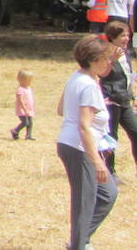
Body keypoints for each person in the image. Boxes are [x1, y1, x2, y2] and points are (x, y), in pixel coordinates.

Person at [56, 35, 119, 250]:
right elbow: (84, 126)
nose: (108, 62)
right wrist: (98, 162)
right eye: (105, 58)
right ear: (92, 60)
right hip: (79, 147)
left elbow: (61, 109)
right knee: (84, 203)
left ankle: (79, 240)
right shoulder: (88, 85)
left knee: (108, 193)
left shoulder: (78, 77)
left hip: (72, 144)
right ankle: (78, 245)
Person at [98, 22, 137, 173]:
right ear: (112, 37)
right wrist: (112, 59)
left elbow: (127, 76)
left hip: (124, 100)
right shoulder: (105, 53)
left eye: (128, 35)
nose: (127, 38)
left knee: (136, 132)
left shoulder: (125, 53)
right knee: (111, 137)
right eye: (123, 35)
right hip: (111, 100)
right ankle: (109, 171)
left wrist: (133, 95)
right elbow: (101, 73)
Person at [11, 69, 36, 142]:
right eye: (28, 80)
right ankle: (15, 131)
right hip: (22, 110)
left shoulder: (29, 88)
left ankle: (28, 136)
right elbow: (20, 100)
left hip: (29, 109)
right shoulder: (20, 89)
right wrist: (25, 109)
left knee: (30, 123)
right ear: (22, 80)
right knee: (25, 122)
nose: (30, 82)